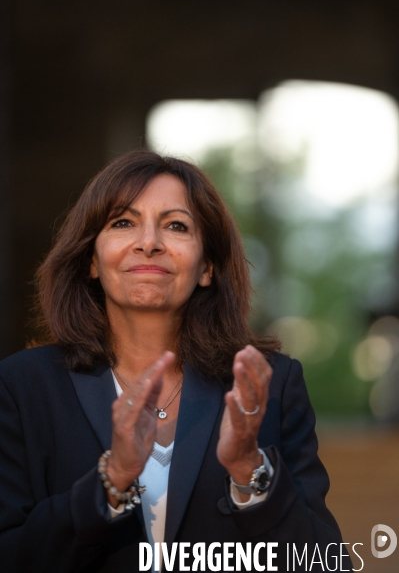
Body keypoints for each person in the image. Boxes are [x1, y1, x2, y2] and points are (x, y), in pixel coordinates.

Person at [0, 150, 350, 572]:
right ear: (92, 259)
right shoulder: (22, 387)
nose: (148, 242)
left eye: (176, 226)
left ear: (207, 266)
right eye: (123, 222)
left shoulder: (269, 386)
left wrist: (250, 473)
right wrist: (112, 481)